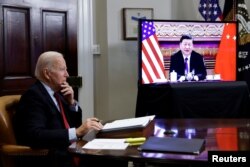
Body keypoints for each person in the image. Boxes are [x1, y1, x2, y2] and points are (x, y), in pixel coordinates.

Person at [13, 51, 104, 167]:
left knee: (113, 158)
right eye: (62, 69)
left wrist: (71, 103)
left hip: (70, 151)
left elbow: (74, 125)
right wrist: (77, 131)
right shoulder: (33, 96)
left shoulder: (58, 94)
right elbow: (35, 135)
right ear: (47, 73)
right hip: (54, 159)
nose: (67, 74)